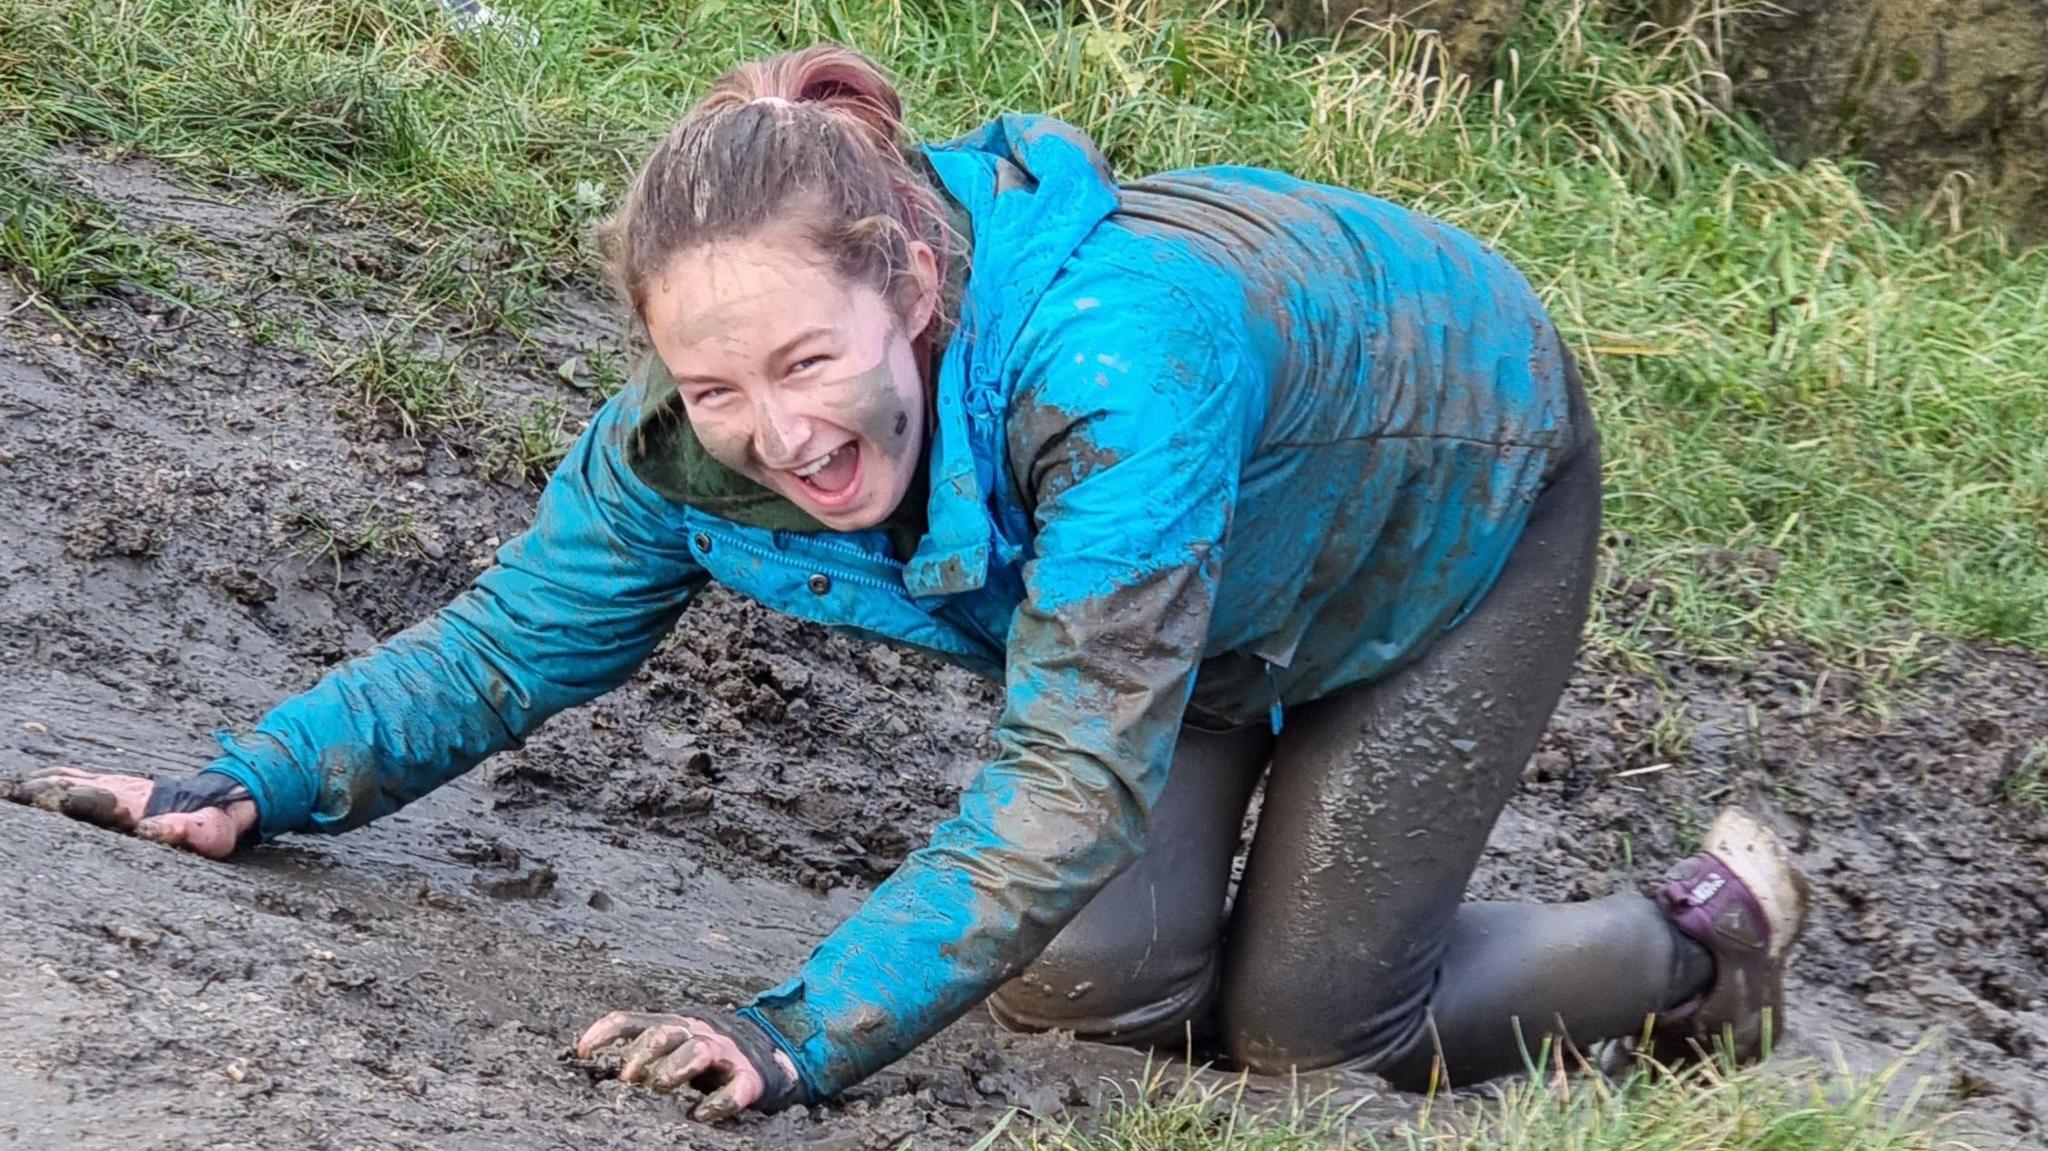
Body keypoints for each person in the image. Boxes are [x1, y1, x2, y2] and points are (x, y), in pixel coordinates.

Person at [10, 44, 1811, 1123]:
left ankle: (1704, 944)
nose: (769, 433)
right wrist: (255, 777)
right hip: (1184, 593)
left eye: (805, 364)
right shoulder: (691, 435)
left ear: (911, 284)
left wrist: (797, 1035)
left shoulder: (1120, 361)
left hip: (1450, 512)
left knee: (1311, 1036)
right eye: (714, 384)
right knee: (1085, 993)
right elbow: (509, 645)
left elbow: (1068, 773)